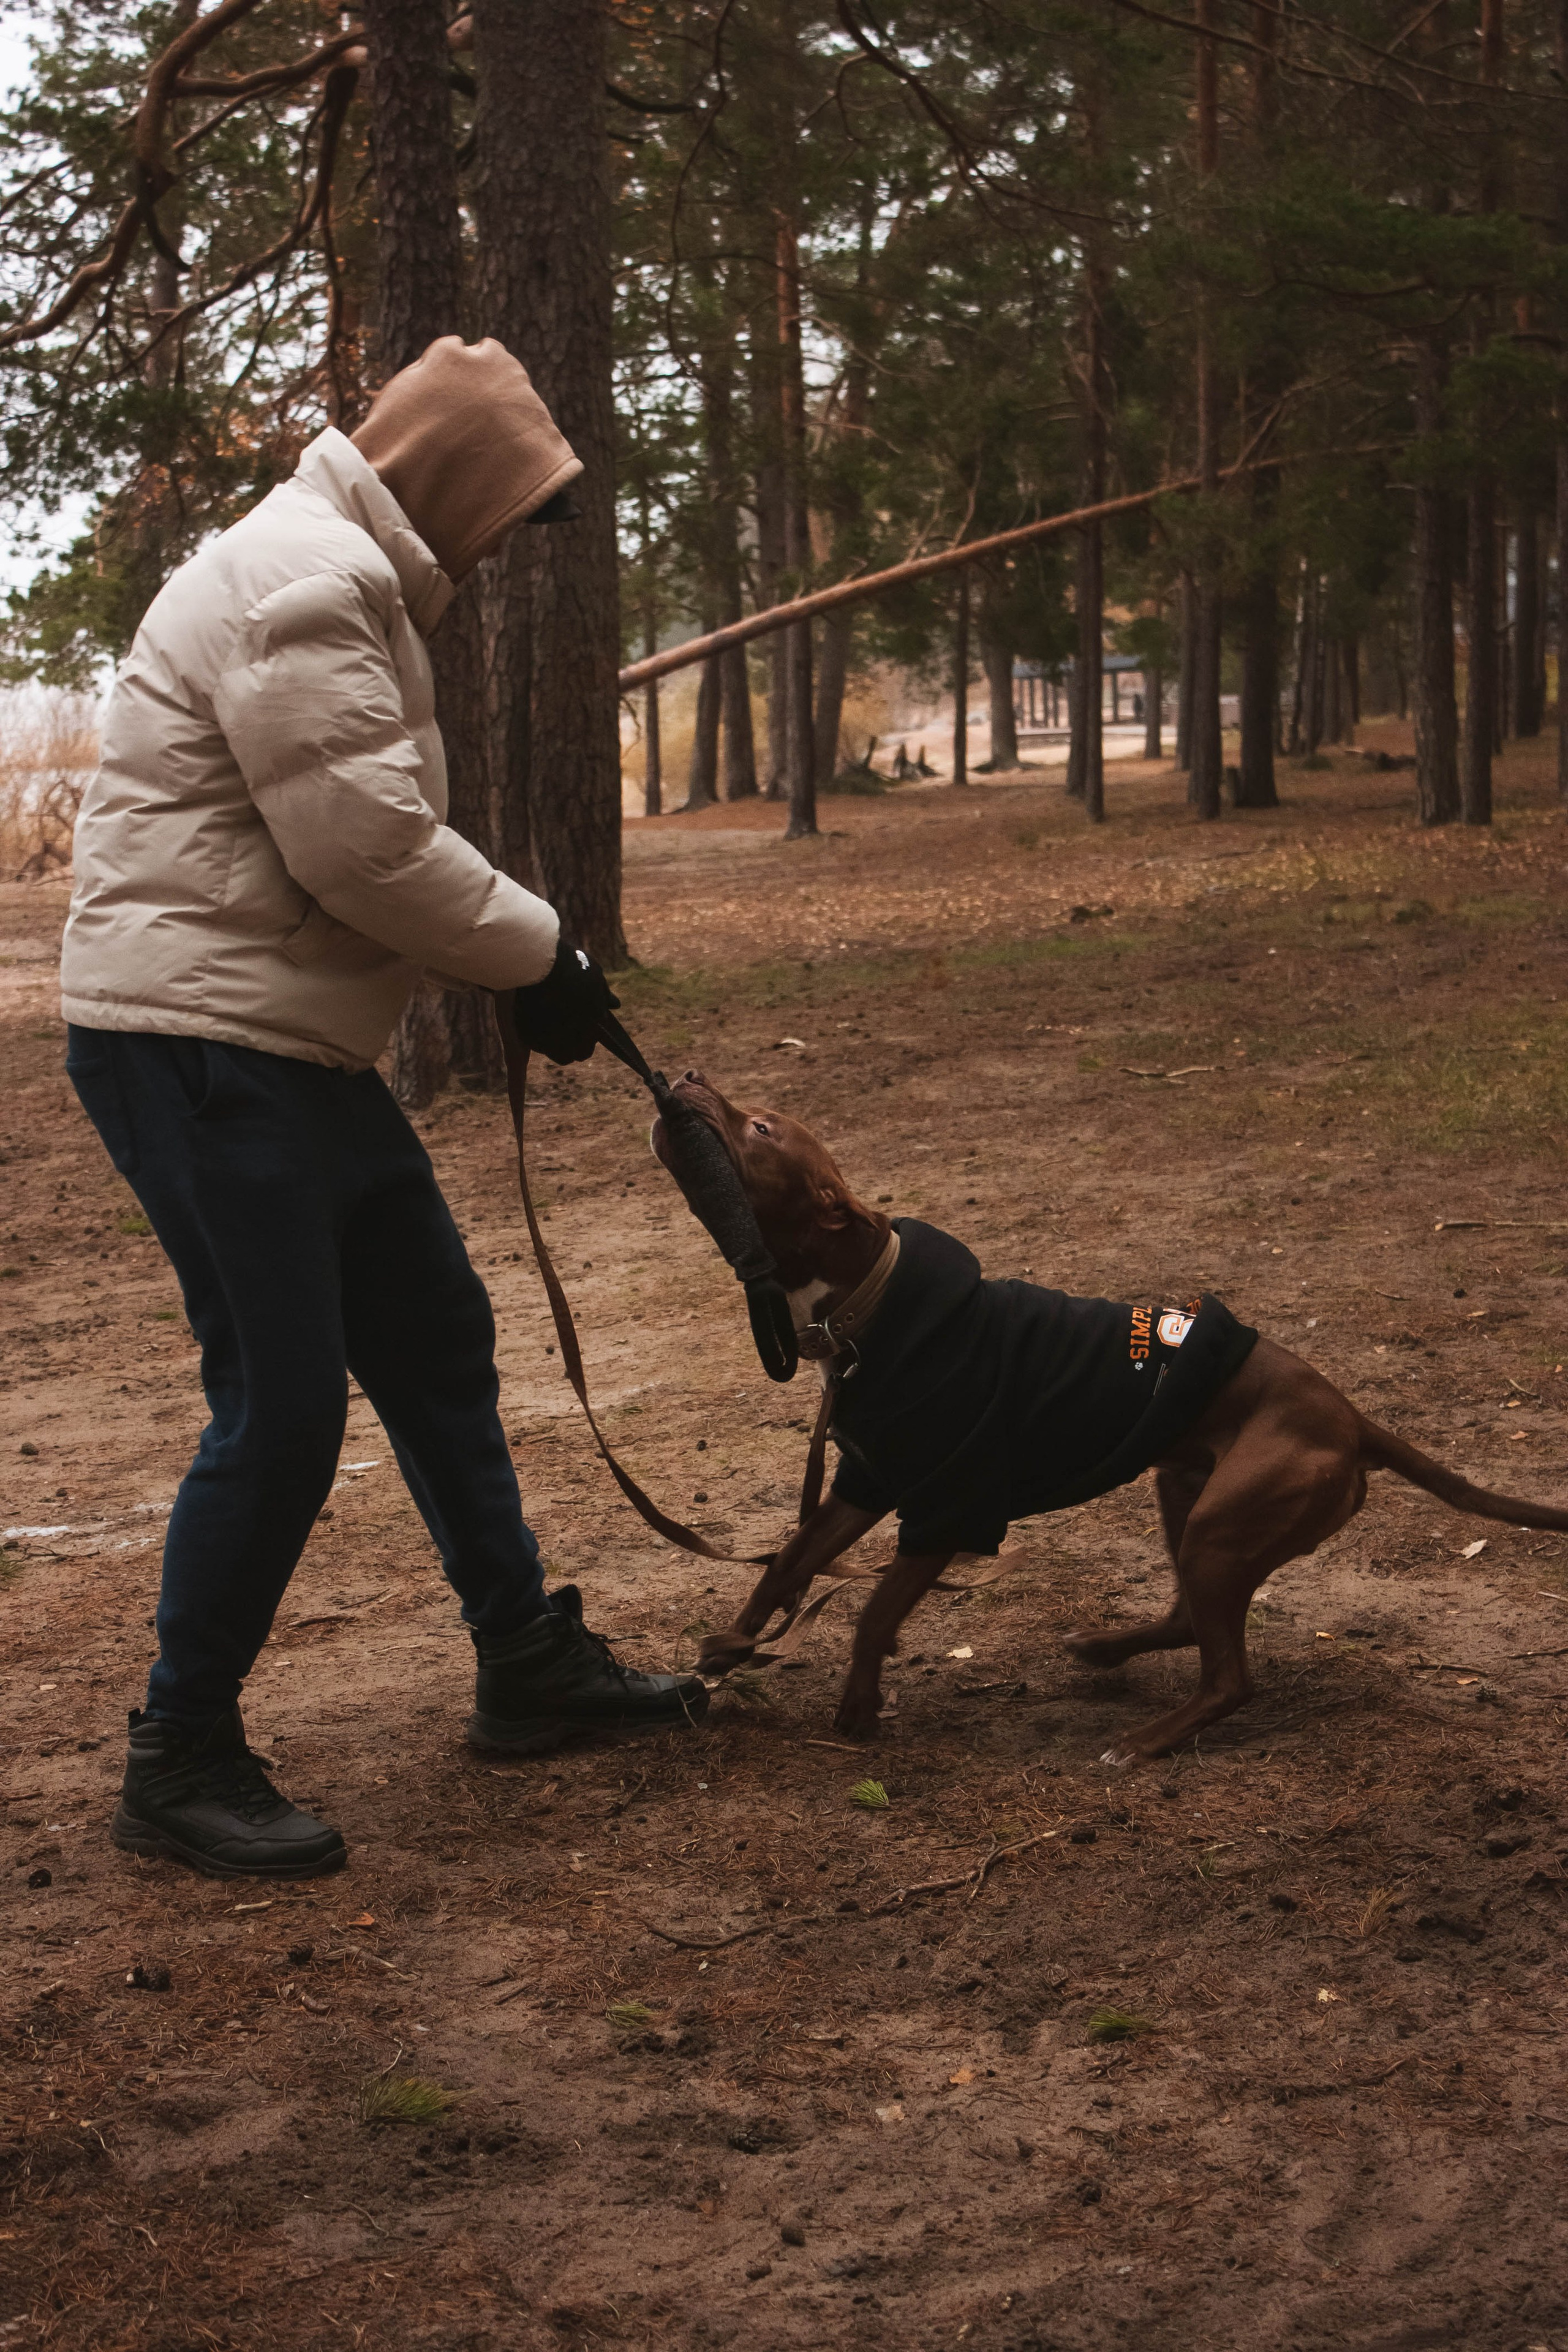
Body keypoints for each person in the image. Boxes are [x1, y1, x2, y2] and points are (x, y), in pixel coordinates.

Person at [60, 337, 707, 1882]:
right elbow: (364, 848)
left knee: (431, 1332)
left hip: (282, 1044)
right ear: (453, 484)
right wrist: (540, 950)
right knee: (280, 1409)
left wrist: (527, 958)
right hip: (201, 1047)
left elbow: (360, 840)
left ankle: (523, 1661)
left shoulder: (333, 572)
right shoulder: (307, 580)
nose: (501, 551)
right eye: (508, 514)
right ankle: (179, 1753)